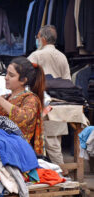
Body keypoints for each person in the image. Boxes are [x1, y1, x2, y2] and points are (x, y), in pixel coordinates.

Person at [29, 25, 71, 168]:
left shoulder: (37, 55)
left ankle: (60, 169)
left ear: (44, 39)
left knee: (49, 140)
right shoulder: (62, 56)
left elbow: (24, 75)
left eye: (38, 37)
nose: (37, 39)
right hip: (60, 103)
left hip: (44, 102)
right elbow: (68, 81)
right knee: (55, 138)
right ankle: (57, 169)